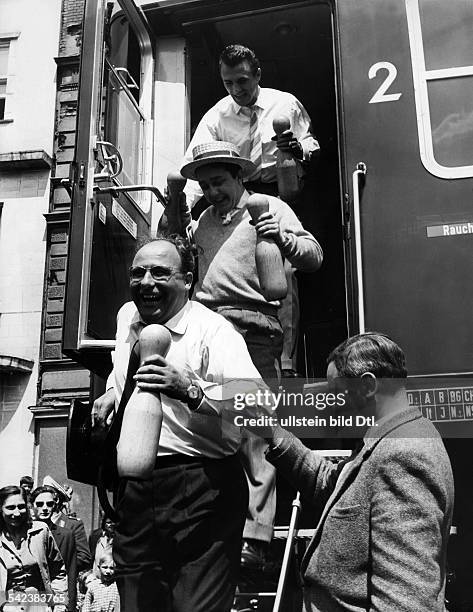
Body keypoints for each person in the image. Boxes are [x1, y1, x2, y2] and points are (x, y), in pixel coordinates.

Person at [92, 234, 270, 611]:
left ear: (187, 280)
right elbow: (121, 368)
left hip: (201, 486)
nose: (146, 283)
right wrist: (112, 392)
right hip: (136, 489)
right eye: (137, 273)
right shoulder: (127, 316)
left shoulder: (214, 331)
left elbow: (259, 407)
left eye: (160, 273)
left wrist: (191, 390)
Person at [178, 141, 323, 567]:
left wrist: (284, 240)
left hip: (255, 328)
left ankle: (256, 538)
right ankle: (216, 526)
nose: (212, 191)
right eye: (205, 185)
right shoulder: (202, 222)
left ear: (239, 177)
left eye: (219, 182)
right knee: (207, 422)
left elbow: (314, 255)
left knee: (256, 425)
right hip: (208, 330)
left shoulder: (271, 207)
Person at [250, 332, 454, 611]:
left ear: (368, 385)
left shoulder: (402, 455)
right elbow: (334, 487)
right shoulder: (388, 437)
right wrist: (272, 433)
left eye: (337, 392)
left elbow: (405, 601)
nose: (330, 403)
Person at [183, 44, 319, 377]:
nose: (236, 90)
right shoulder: (217, 115)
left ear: (257, 74)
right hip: (232, 188)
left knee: (285, 273)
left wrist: (298, 148)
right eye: (228, 83)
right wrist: (183, 209)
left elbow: (311, 144)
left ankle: (286, 360)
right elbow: (196, 164)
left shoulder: (284, 103)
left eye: (242, 81)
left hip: (279, 188)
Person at [0, 485, 68, 612]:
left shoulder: (40, 531)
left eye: (21, 507)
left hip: (38, 605)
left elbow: (58, 570)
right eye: (10, 508)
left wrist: (60, 602)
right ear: (1, 509)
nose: (17, 513)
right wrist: (4, 605)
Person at [31, 486, 78, 612]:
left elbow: (70, 573)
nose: (45, 508)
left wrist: (68, 605)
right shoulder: (23, 533)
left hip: (56, 601)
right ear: (31, 506)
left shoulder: (66, 535)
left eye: (49, 504)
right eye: (40, 504)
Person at [43, 477, 91, 573]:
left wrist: (59, 567)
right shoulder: (37, 523)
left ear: (57, 500)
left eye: (49, 500)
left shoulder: (73, 525)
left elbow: (84, 558)